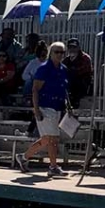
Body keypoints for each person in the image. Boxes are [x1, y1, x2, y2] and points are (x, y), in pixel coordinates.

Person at [17, 41, 70, 177]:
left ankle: (23, 157)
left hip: (58, 107)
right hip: (45, 107)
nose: (59, 55)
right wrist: (36, 109)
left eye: (62, 52)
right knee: (52, 139)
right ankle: (53, 166)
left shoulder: (63, 69)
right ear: (50, 53)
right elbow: (35, 89)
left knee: (47, 139)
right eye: (56, 52)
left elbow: (64, 89)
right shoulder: (44, 68)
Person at [63, 39, 93, 107]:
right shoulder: (66, 60)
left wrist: (71, 71)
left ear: (78, 48)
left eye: (74, 47)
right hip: (70, 85)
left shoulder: (85, 58)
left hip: (82, 85)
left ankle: (73, 101)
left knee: (73, 74)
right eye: (70, 47)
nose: (72, 49)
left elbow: (82, 71)